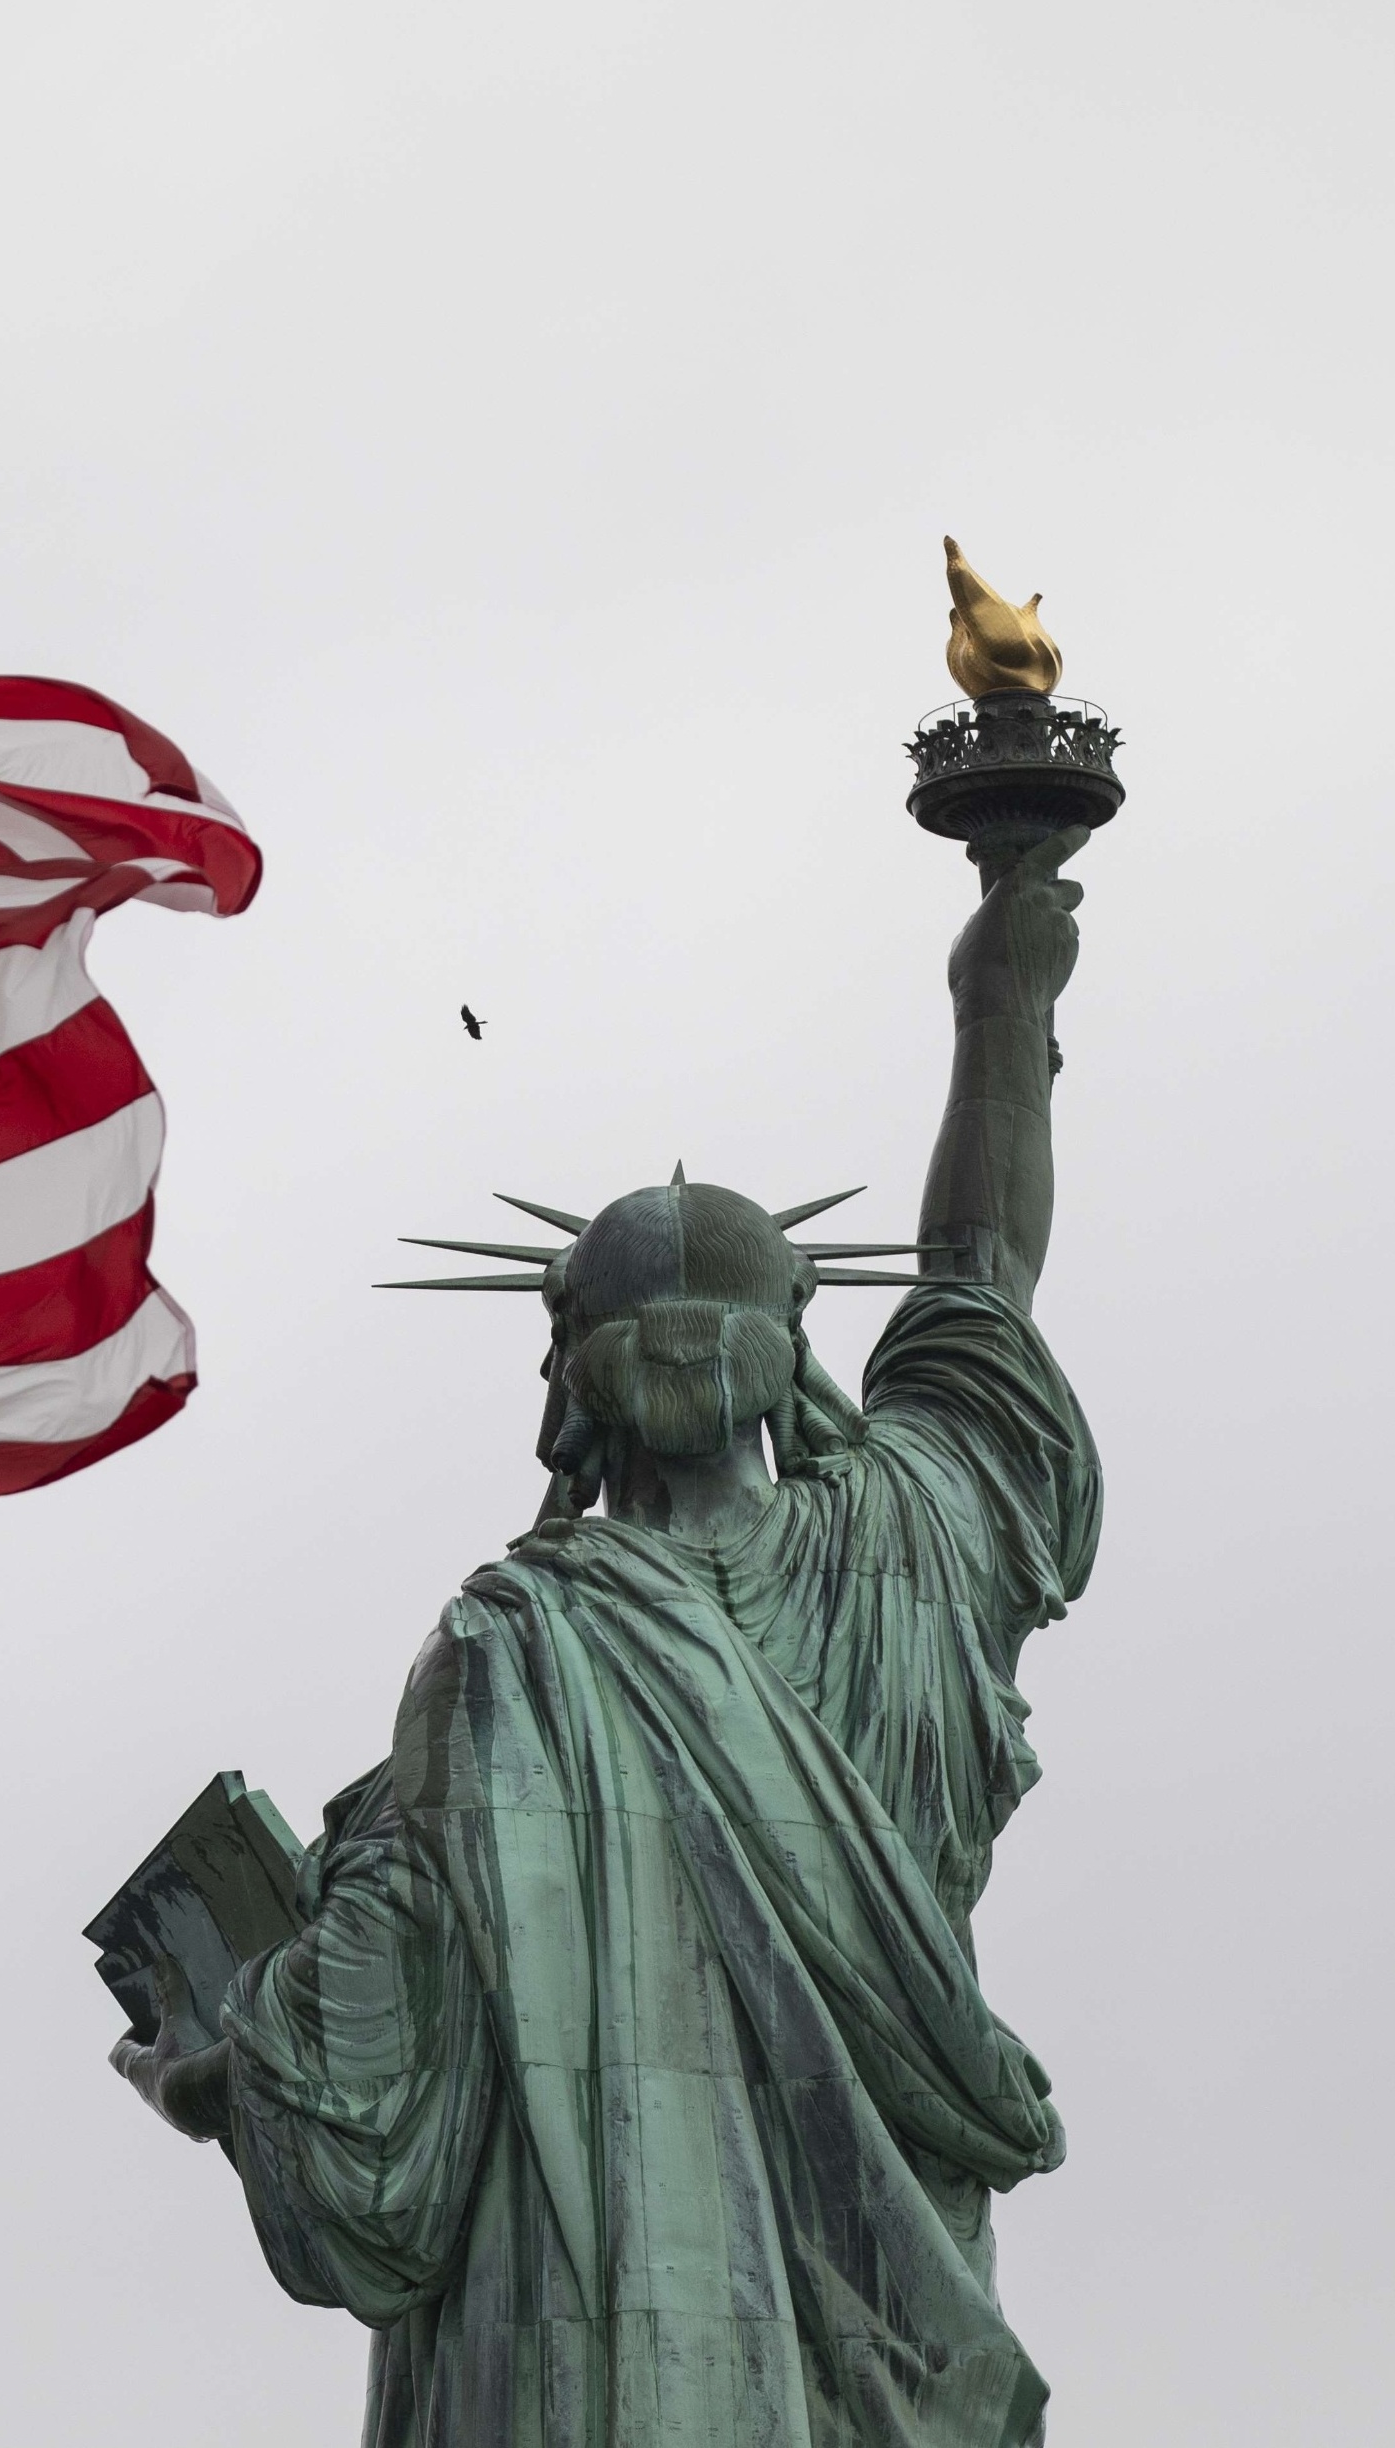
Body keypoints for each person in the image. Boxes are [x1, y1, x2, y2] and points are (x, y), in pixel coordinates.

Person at [113, 828, 1101, 2447]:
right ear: (790, 1358)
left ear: (570, 1386)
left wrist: (213, 2061)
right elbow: (984, 1282)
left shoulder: (509, 1655)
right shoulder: (909, 1563)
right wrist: (1003, 999)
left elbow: (367, 2128)